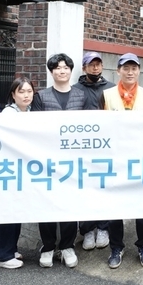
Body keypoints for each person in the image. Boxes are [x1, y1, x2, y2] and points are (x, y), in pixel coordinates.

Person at [102, 53, 143, 269]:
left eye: (134, 68)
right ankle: (116, 247)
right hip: (115, 158)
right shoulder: (106, 95)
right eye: (126, 68)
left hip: (140, 158)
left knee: (142, 206)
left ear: (139, 71)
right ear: (118, 71)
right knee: (116, 205)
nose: (130, 72)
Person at [31, 53, 84, 268]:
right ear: (51, 72)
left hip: (72, 160)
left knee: (70, 203)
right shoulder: (41, 96)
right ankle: (48, 246)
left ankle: (67, 246)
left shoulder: (81, 95)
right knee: (46, 202)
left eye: (65, 67)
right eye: (57, 68)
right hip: (47, 160)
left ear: (71, 70)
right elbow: (34, 126)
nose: (62, 71)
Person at [0, 77, 35, 269]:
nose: (26, 95)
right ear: (13, 95)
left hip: (21, 169)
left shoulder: (30, 112)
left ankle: (11, 249)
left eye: (29, 91)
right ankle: (1, 255)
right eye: (21, 92)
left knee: (16, 210)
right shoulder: (8, 113)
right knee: (6, 211)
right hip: (7, 168)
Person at [73, 51, 114, 251]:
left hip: (107, 147)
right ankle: (87, 229)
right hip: (83, 149)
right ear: (84, 68)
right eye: (91, 64)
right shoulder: (75, 90)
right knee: (85, 188)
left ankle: (104, 227)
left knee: (105, 187)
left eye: (98, 64)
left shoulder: (112, 89)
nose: (95, 67)